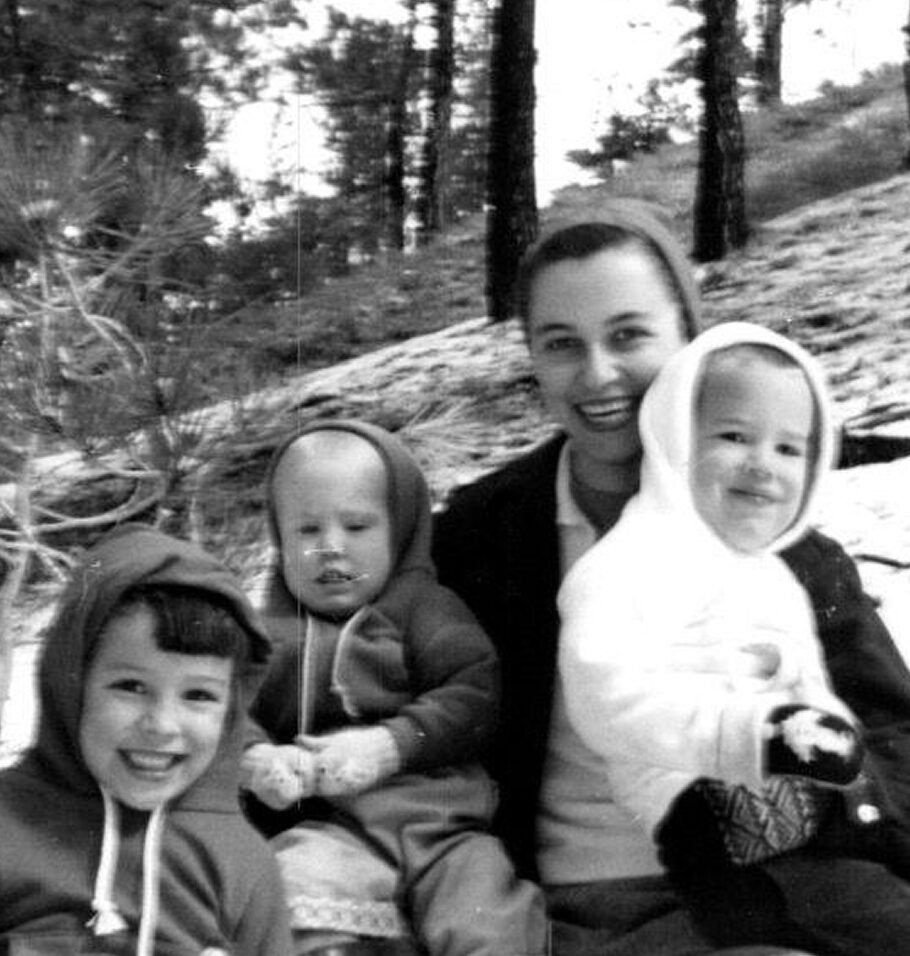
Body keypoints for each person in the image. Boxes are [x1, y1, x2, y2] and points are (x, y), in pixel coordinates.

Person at [432, 200, 910, 956]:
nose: (598, 374)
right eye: (561, 344)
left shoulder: (781, 544)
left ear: (689, 336)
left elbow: (893, 735)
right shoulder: (481, 535)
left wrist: (823, 790)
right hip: (582, 910)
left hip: (788, 877)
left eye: (629, 335)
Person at [242, 419, 547, 956]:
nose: (331, 548)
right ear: (278, 540)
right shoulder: (269, 636)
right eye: (306, 531)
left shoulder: (425, 611)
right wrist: (259, 759)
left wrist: (389, 745)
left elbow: (472, 695)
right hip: (335, 829)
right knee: (293, 883)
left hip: (444, 830)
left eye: (357, 527)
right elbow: (228, 716)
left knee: (488, 914)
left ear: (400, 530)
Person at [0, 524, 293, 956]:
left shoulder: (242, 865)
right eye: (131, 687)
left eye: (199, 695)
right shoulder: (8, 824)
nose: (162, 725)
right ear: (71, 683)